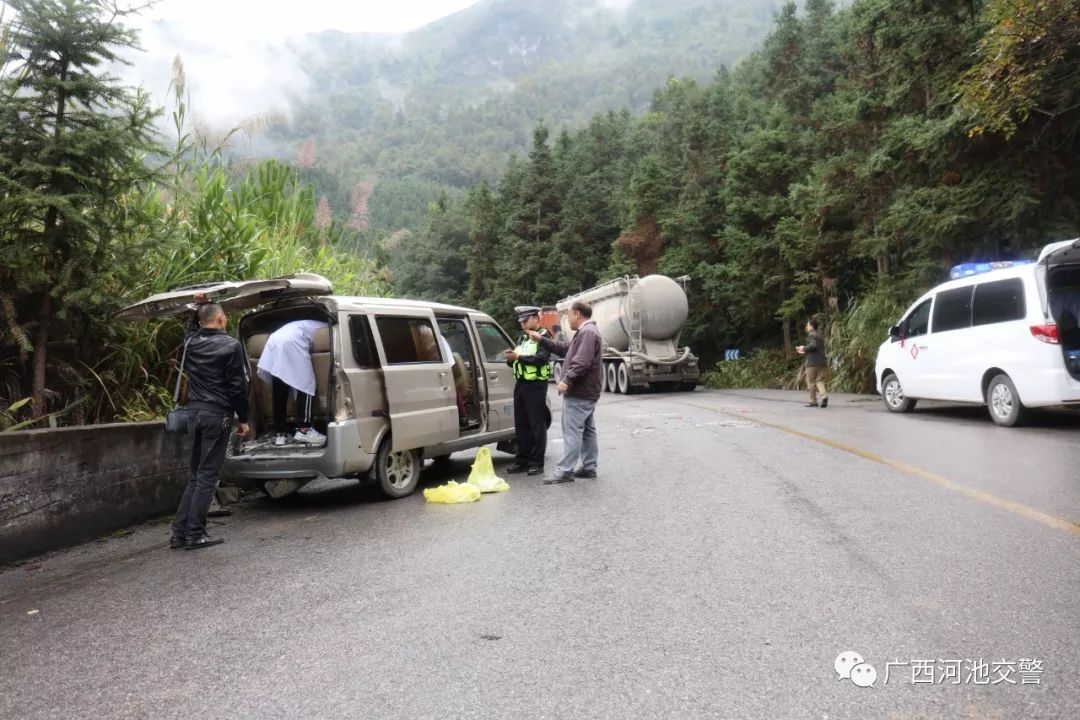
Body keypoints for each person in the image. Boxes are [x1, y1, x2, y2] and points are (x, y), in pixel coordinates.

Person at [171, 300, 250, 550]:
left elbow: (190, 329)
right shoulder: (231, 346)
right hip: (217, 416)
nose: (226, 319)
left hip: (194, 414)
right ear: (219, 320)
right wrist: (244, 418)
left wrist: (197, 306)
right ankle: (195, 534)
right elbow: (238, 387)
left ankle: (179, 534)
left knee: (197, 475)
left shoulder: (191, 343)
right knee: (207, 476)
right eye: (224, 316)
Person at [528, 301, 604, 485]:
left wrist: (566, 380)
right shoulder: (586, 332)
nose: (567, 319)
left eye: (568, 315)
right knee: (587, 430)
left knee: (572, 431)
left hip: (579, 390)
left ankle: (565, 471)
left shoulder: (587, 333)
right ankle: (588, 466)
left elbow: (582, 362)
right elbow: (566, 349)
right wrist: (542, 340)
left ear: (577, 314)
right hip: (587, 390)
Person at [256, 319, 328, 446]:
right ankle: (305, 430)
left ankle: (280, 434)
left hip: (273, 341)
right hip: (291, 342)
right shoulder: (327, 327)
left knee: (280, 386)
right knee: (306, 384)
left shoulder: (304, 324)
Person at [504, 306, 552, 476]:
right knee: (521, 424)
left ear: (536, 318)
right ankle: (522, 460)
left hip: (536, 386)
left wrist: (518, 358)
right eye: (521, 322)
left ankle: (537, 463)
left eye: (526, 320)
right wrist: (511, 358)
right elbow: (515, 361)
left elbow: (540, 359)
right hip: (521, 384)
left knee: (536, 425)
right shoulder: (523, 338)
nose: (523, 324)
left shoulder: (545, 337)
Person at [796, 317, 828, 408]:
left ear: (812, 326)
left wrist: (803, 348)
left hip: (812, 363)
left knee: (811, 381)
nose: (806, 327)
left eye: (807, 325)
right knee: (819, 380)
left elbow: (813, 346)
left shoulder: (811, 335)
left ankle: (813, 401)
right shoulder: (820, 336)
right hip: (822, 362)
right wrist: (805, 351)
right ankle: (824, 396)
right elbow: (816, 348)